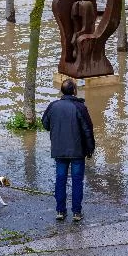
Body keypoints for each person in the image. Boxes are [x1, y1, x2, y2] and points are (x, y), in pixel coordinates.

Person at [41, 78, 95, 222]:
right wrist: (90, 149)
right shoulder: (80, 107)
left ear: (62, 91)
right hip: (77, 151)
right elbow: (88, 130)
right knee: (77, 181)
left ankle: (60, 211)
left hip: (59, 150)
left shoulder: (53, 106)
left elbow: (45, 124)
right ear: (75, 91)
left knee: (60, 180)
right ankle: (77, 212)